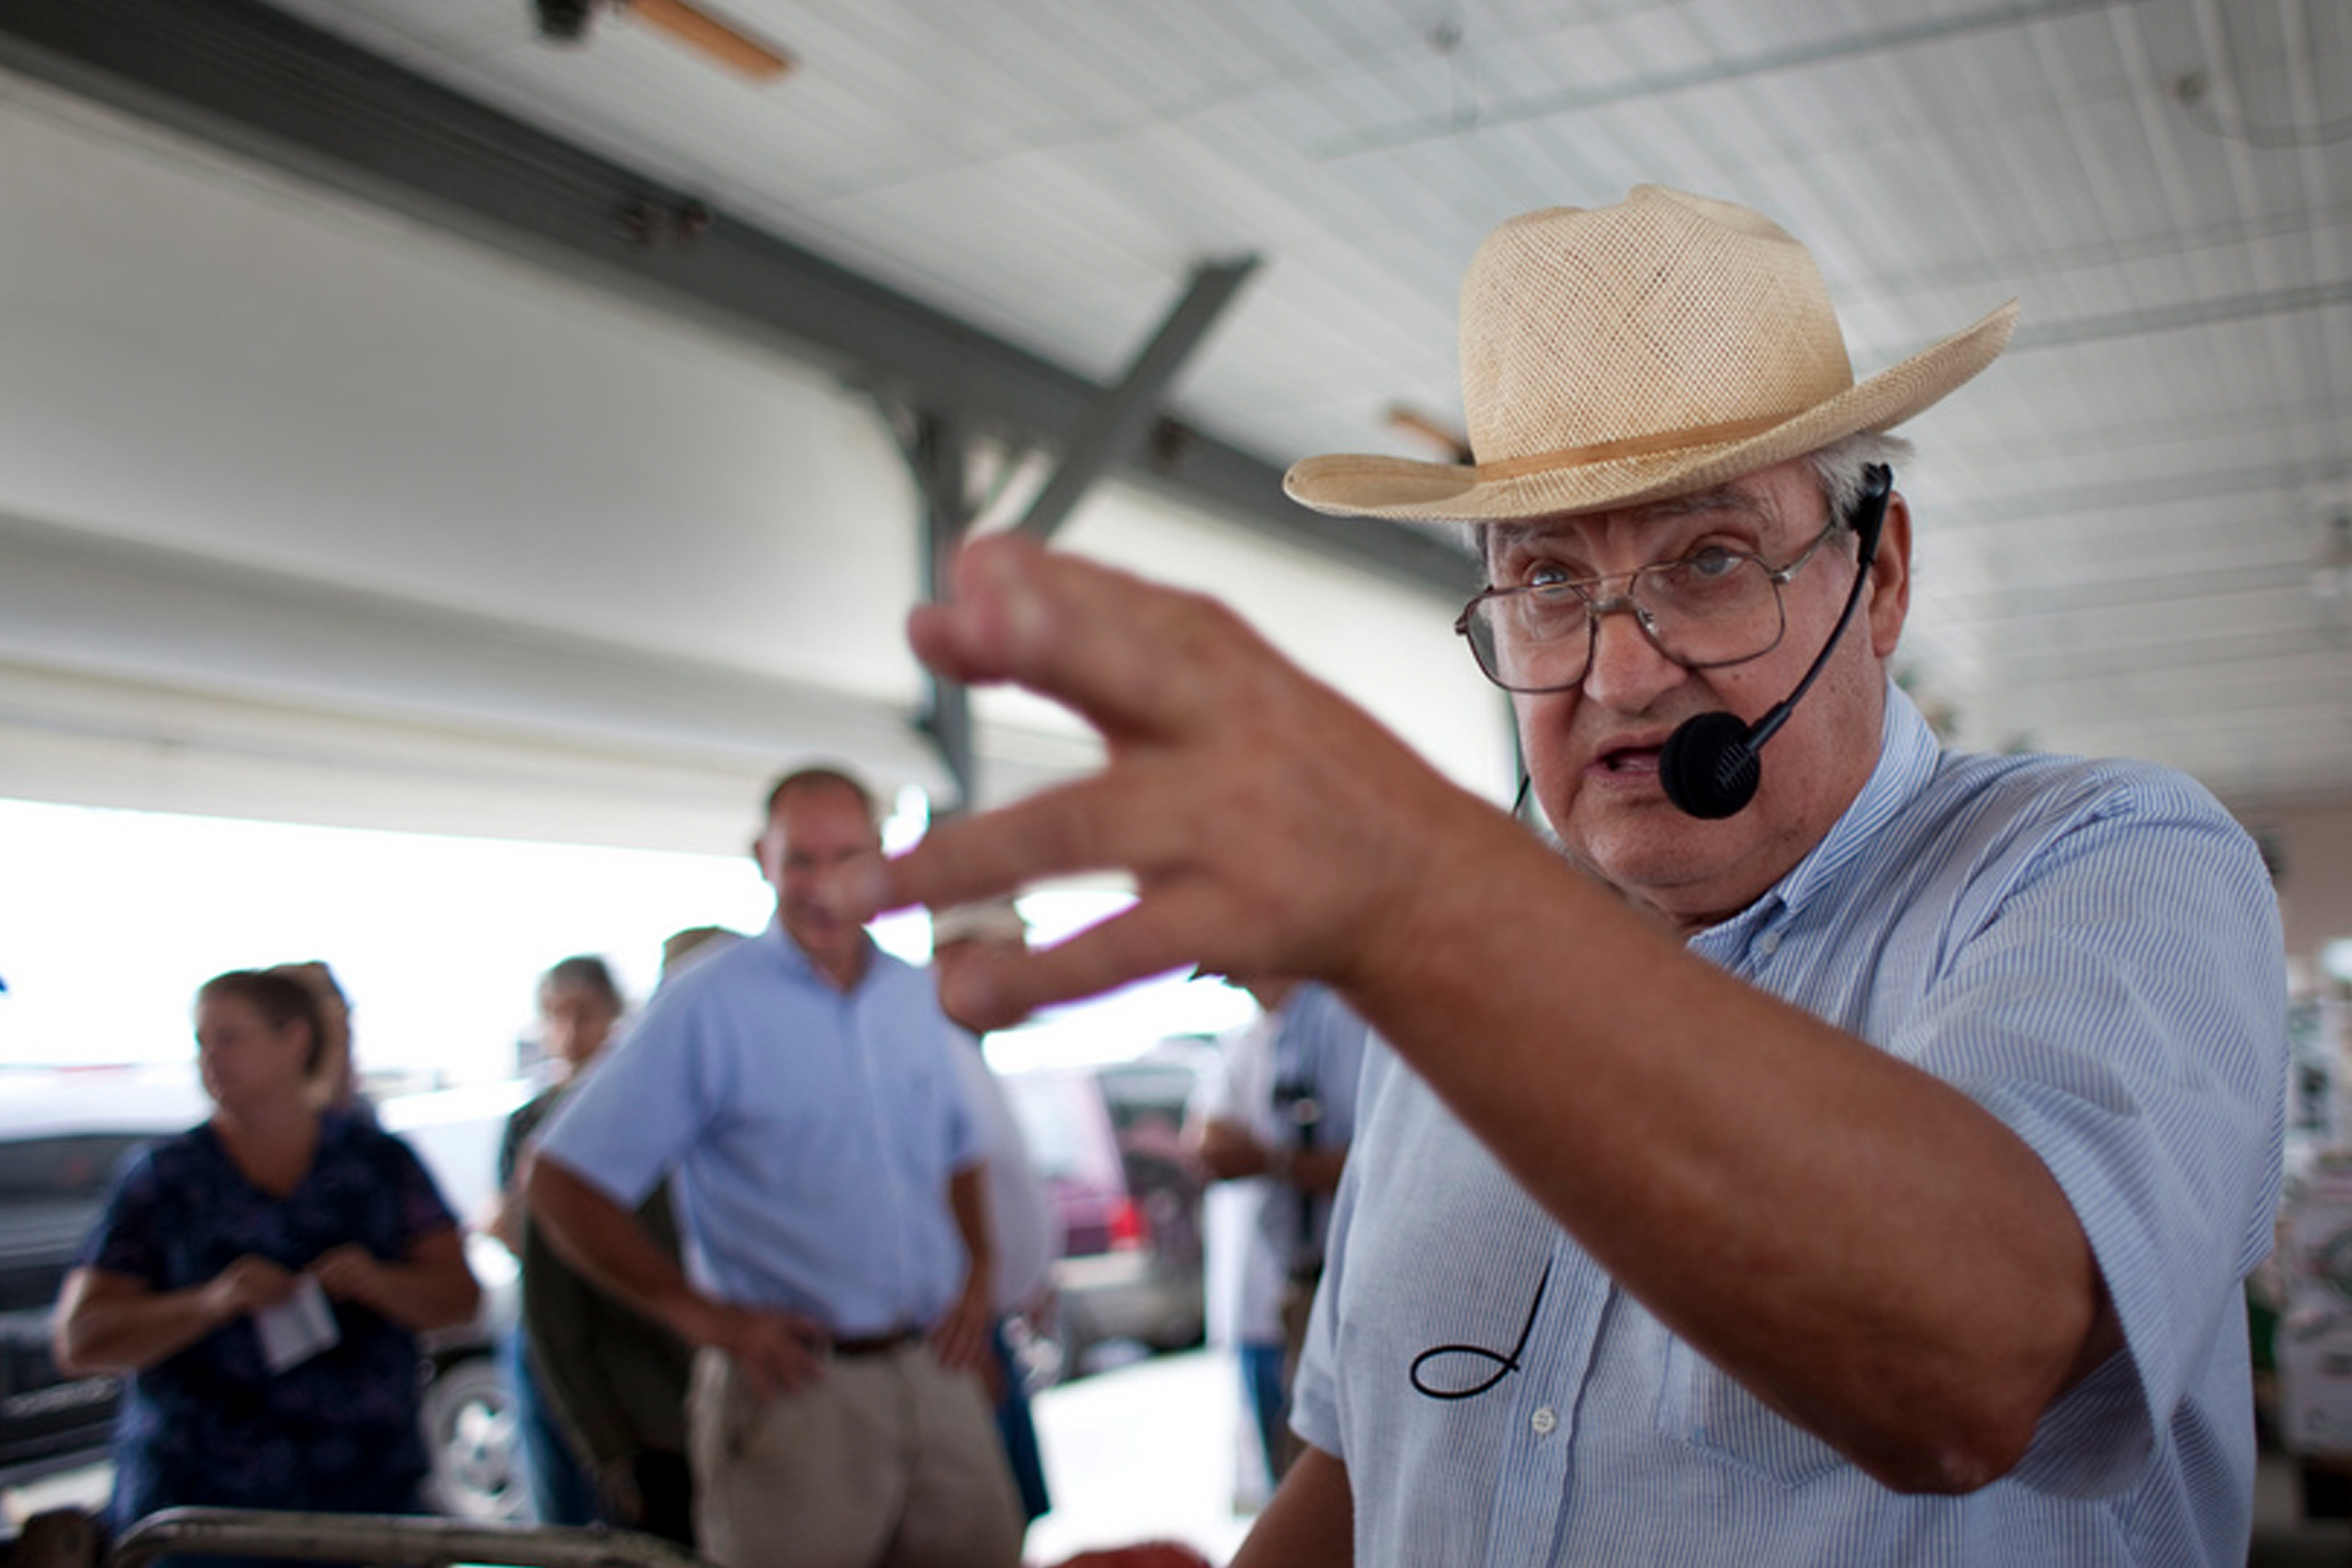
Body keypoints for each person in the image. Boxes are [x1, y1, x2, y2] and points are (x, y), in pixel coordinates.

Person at [881, 186, 2288, 1564]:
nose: (1620, 672)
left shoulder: (2104, 862)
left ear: (1878, 577)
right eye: (1549, 582)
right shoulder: (1448, 992)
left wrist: (1422, 892)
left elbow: (1976, 1355)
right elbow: (1369, 1462)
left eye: (1710, 558)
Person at [528, 766, 1022, 1568]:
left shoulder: (911, 995)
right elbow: (556, 1181)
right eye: (801, 861)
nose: (824, 885)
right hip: (798, 1391)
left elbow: (961, 1151)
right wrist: (702, 1318)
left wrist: (978, 1277)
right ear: (763, 857)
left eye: (846, 857)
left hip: (933, 1369)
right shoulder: (708, 1001)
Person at [53, 969, 481, 1549]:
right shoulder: (165, 1178)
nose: (212, 1060)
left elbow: (461, 1299)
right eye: (203, 1042)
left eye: (231, 1038)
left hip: (366, 1505)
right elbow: (82, 1338)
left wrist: (380, 1282)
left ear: (295, 1040)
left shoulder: (378, 1164)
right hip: (200, 1518)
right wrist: (211, 1302)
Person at [491, 956, 696, 1543]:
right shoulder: (540, 1122)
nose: (571, 1032)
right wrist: (607, 1445)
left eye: (584, 1013)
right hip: (623, 1384)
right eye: (557, 1016)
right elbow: (547, 1284)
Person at [1185, 977, 1365, 1499]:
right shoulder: (1260, 1034)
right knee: (1295, 1475)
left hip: (1341, 1281)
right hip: (1289, 1291)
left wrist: (1270, 1160)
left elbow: (1376, 1165)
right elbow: (1206, 1136)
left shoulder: (1345, 1017)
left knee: (1329, 1489)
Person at [929, 898, 1059, 1536]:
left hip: (989, 1329)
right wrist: (971, 1320)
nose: (1027, 976)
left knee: (1009, 1523)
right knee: (982, 1530)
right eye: (1011, 955)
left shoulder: (964, 1050)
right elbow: (928, 1206)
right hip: (962, 1339)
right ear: (953, 955)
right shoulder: (928, 1055)